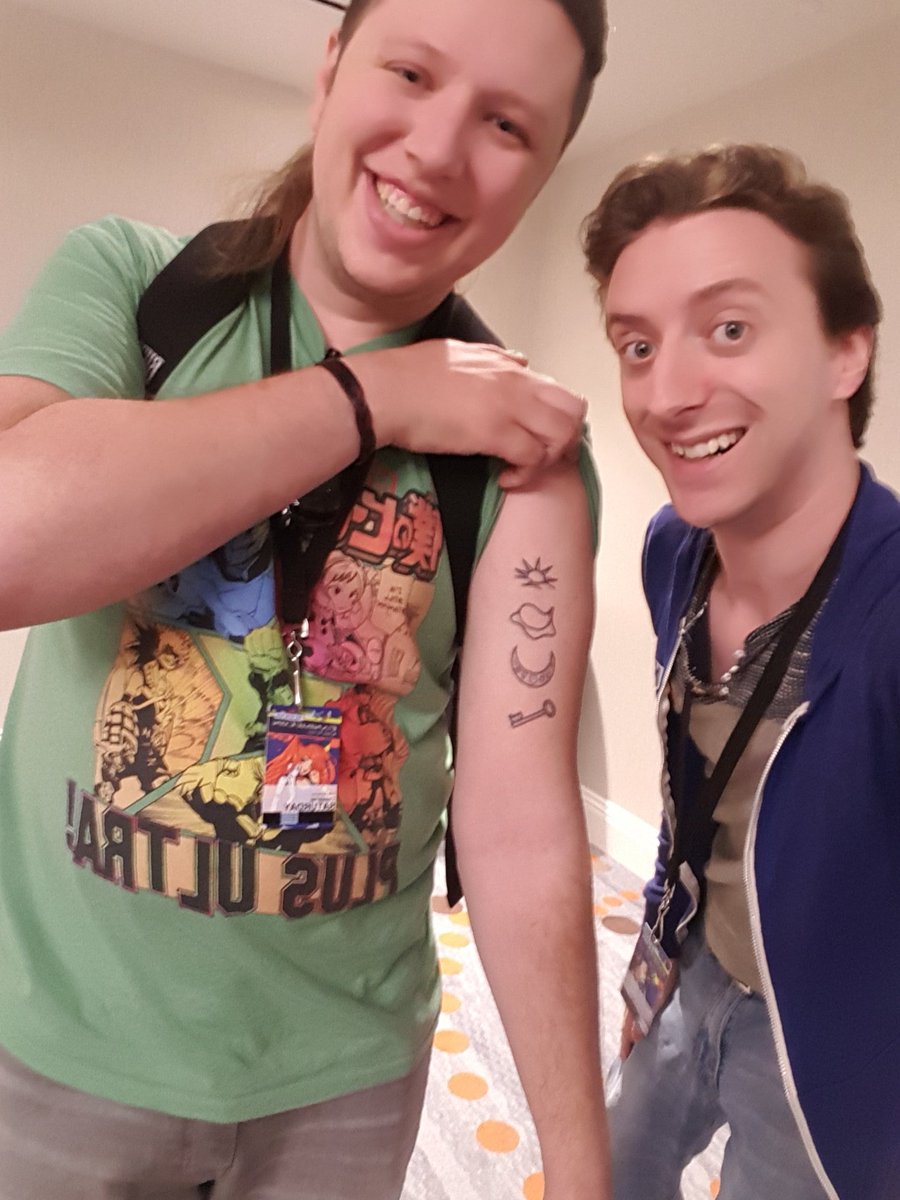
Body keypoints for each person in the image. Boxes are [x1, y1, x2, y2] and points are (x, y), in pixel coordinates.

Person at [0, 1, 612, 1197]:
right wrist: (379, 400)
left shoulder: (528, 447)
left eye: (505, 123)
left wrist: (585, 1166)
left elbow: (520, 823)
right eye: (412, 72)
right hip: (57, 1051)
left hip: (341, 1088)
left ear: (543, 170)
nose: (437, 147)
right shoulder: (132, 286)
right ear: (331, 66)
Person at [582, 142, 896, 1200]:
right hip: (690, 963)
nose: (666, 394)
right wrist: (655, 947)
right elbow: (697, 780)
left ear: (846, 353)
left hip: (827, 1040)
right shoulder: (673, 550)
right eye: (636, 345)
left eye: (728, 329)